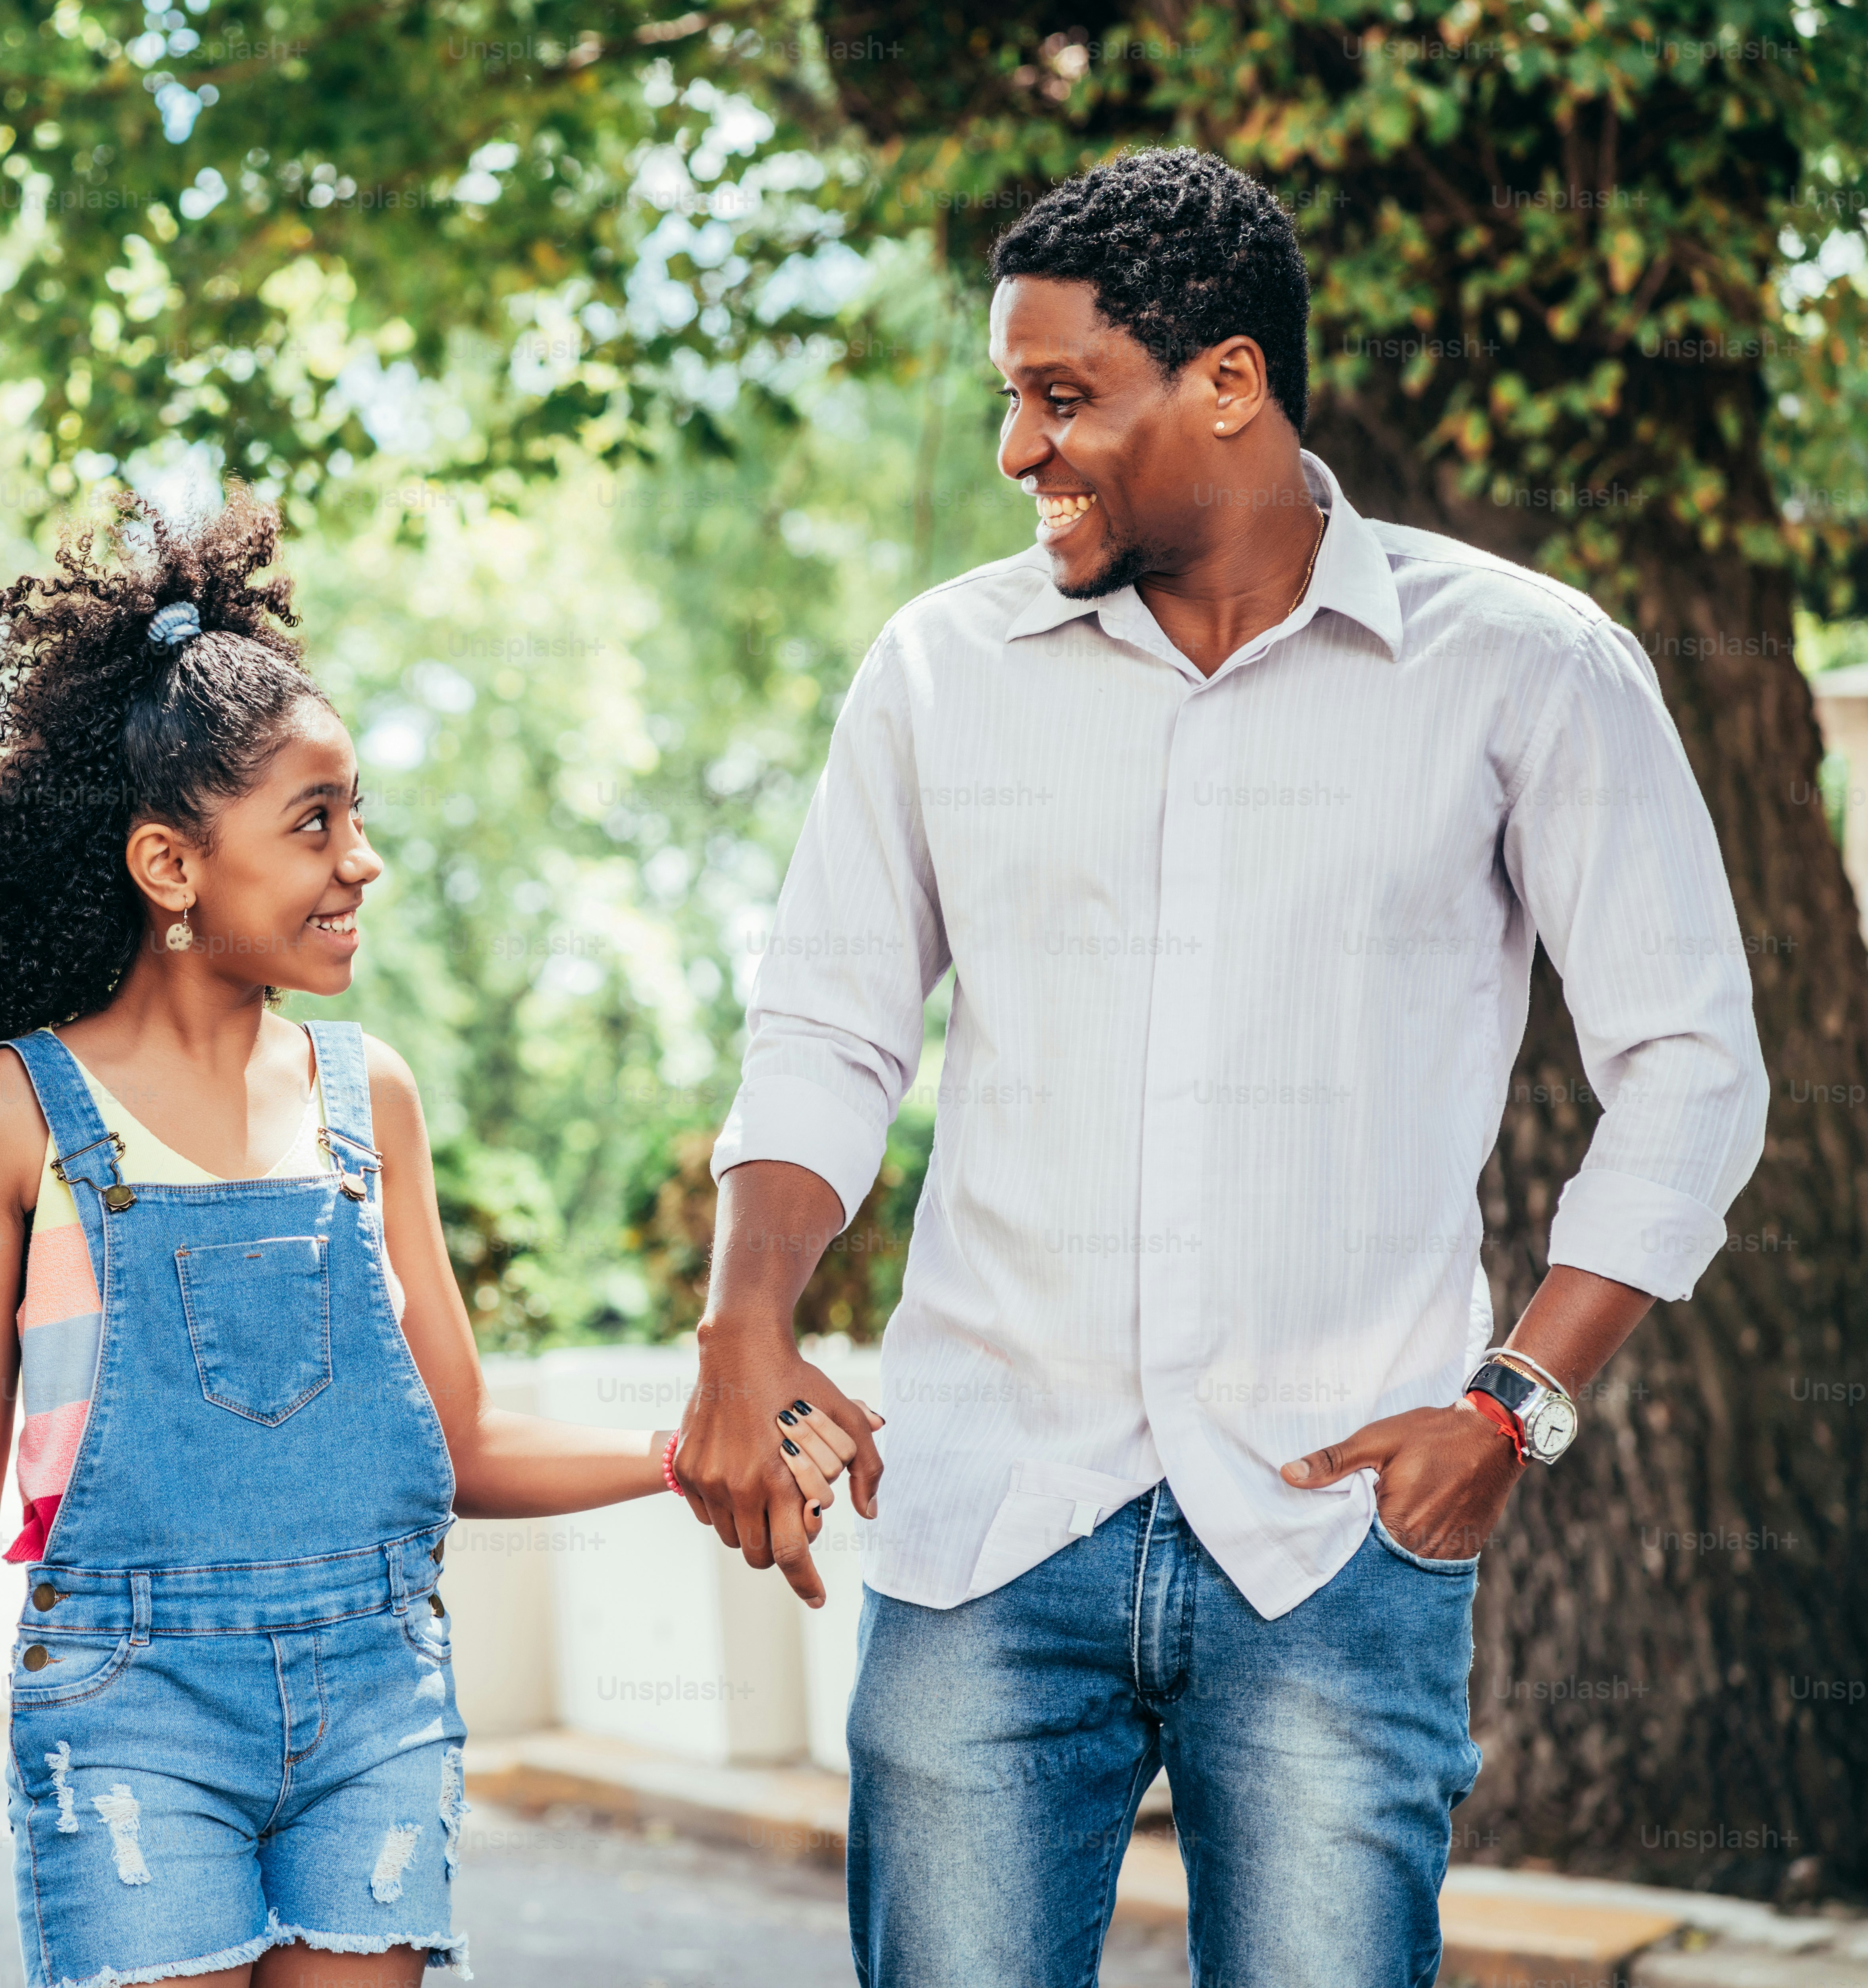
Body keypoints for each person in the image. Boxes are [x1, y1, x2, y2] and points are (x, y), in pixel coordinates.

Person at [672, 148, 1767, 1986]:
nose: (1018, 451)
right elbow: (825, 1029)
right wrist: (738, 1329)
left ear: (1228, 383)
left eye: (1062, 397)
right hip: (981, 1530)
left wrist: (1514, 1405)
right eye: (1008, 400)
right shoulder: (941, 670)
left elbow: (1690, 1064)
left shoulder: (1521, 667)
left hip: (1331, 1543)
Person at [0, 489, 829, 1988]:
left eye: (359, 816)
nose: (362, 862)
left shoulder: (368, 1100)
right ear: (170, 868)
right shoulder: (14, 1118)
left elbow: (454, 1442)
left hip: (376, 1702)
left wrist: (683, 1458)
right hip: (129, 1708)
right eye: (315, 821)